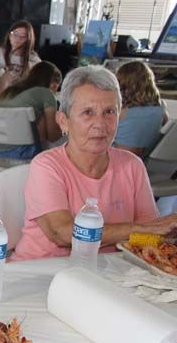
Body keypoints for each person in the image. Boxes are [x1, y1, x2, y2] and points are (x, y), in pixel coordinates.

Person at [12, 65, 177, 261]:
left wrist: (165, 234)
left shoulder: (132, 165)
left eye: (109, 111)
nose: (100, 124)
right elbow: (62, 233)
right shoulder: (46, 166)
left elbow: (149, 235)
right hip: (43, 271)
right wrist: (142, 229)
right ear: (63, 121)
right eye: (88, 112)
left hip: (109, 273)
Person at [0, 61, 63, 161]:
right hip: (22, 153)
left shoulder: (10, 91)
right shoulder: (46, 93)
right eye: (56, 87)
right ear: (54, 84)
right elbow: (53, 136)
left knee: (39, 116)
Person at [115, 61, 168, 157]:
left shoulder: (121, 111)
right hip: (143, 159)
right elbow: (166, 127)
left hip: (119, 160)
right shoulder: (161, 107)